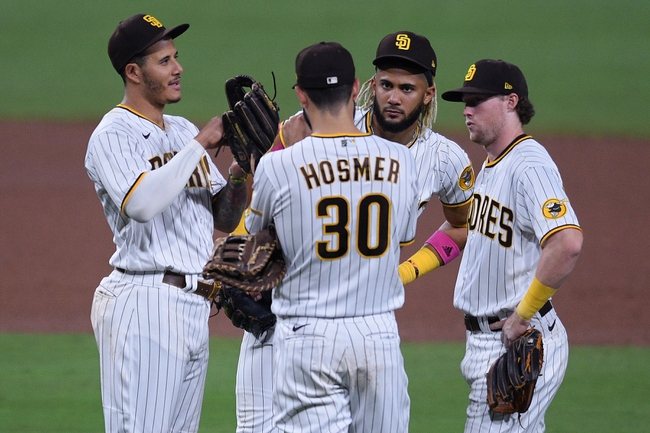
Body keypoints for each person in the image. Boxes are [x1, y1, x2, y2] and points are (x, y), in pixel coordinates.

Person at [232, 31, 475, 432]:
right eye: (386, 85)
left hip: (343, 326)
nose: (393, 97)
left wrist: (406, 272)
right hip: (288, 316)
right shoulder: (319, 125)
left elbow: (464, 224)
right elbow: (254, 223)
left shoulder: (443, 158)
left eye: (407, 88)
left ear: (429, 94)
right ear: (366, 86)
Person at [85, 13, 249, 432]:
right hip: (143, 305)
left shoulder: (180, 130)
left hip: (193, 306)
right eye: (164, 61)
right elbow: (140, 203)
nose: (178, 69)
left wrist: (240, 170)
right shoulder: (113, 133)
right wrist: (199, 145)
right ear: (134, 72)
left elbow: (225, 216)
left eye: (176, 57)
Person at [440, 59, 583, 432]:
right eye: (464, 102)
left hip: (517, 342)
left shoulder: (529, 165)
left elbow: (567, 243)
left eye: (478, 100)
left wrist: (522, 314)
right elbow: (465, 230)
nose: (467, 110)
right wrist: (404, 272)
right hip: (489, 342)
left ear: (510, 101)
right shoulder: (492, 163)